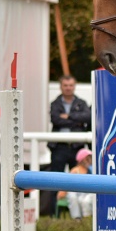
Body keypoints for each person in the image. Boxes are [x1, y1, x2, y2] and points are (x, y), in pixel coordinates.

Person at [45, 75, 91, 215]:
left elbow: (87, 117)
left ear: (74, 86)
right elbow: (56, 120)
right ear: (61, 87)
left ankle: (77, 216)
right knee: (55, 182)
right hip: (59, 147)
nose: (68, 88)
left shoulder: (81, 103)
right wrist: (76, 121)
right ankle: (54, 215)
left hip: (77, 149)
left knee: (78, 183)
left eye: (71, 85)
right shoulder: (55, 103)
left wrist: (68, 116)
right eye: (65, 85)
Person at [66, 147, 94, 219]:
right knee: (73, 196)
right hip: (78, 193)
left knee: (85, 201)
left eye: (90, 158)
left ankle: (87, 220)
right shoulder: (75, 170)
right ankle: (77, 220)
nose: (89, 160)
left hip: (89, 193)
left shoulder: (92, 170)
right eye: (87, 158)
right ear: (81, 160)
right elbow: (68, 184)